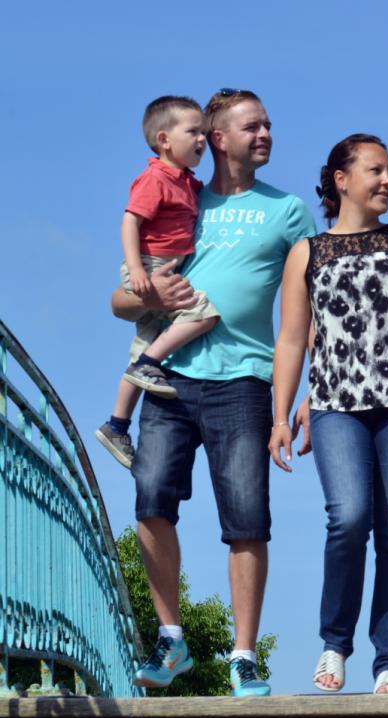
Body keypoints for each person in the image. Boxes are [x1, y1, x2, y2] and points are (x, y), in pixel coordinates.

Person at [111, 89, 316, 695]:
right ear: (217, 138)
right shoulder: (177, 197)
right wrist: (153, 296)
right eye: (253, 126)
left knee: (248, 520)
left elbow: (311, 317)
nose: (267, 134)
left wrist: (302, 397)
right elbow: (119, 299)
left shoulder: (289, 212)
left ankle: (243, 655)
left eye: (270, 125)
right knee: (150, 502)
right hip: (169, 379)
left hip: (246, 381)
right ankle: (171, 640)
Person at [269, 134, 388, 695]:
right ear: (341, 179)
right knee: (348, 519)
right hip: (335, 406)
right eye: (376, 170)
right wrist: (280, 415)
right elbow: (293, 340)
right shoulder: (308, 252)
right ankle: (334, 643)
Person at [96, 96, 220, 469]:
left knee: (144, 345)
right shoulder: (156, 178)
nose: (202, 140)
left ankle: (116, 425)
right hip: (151, 266)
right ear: (164, 139)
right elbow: (130, 221)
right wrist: (136, 270)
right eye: (193, 131)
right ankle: (148, 364)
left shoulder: (186, 182)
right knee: (204, 315)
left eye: (204, 132)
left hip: (162, 266)